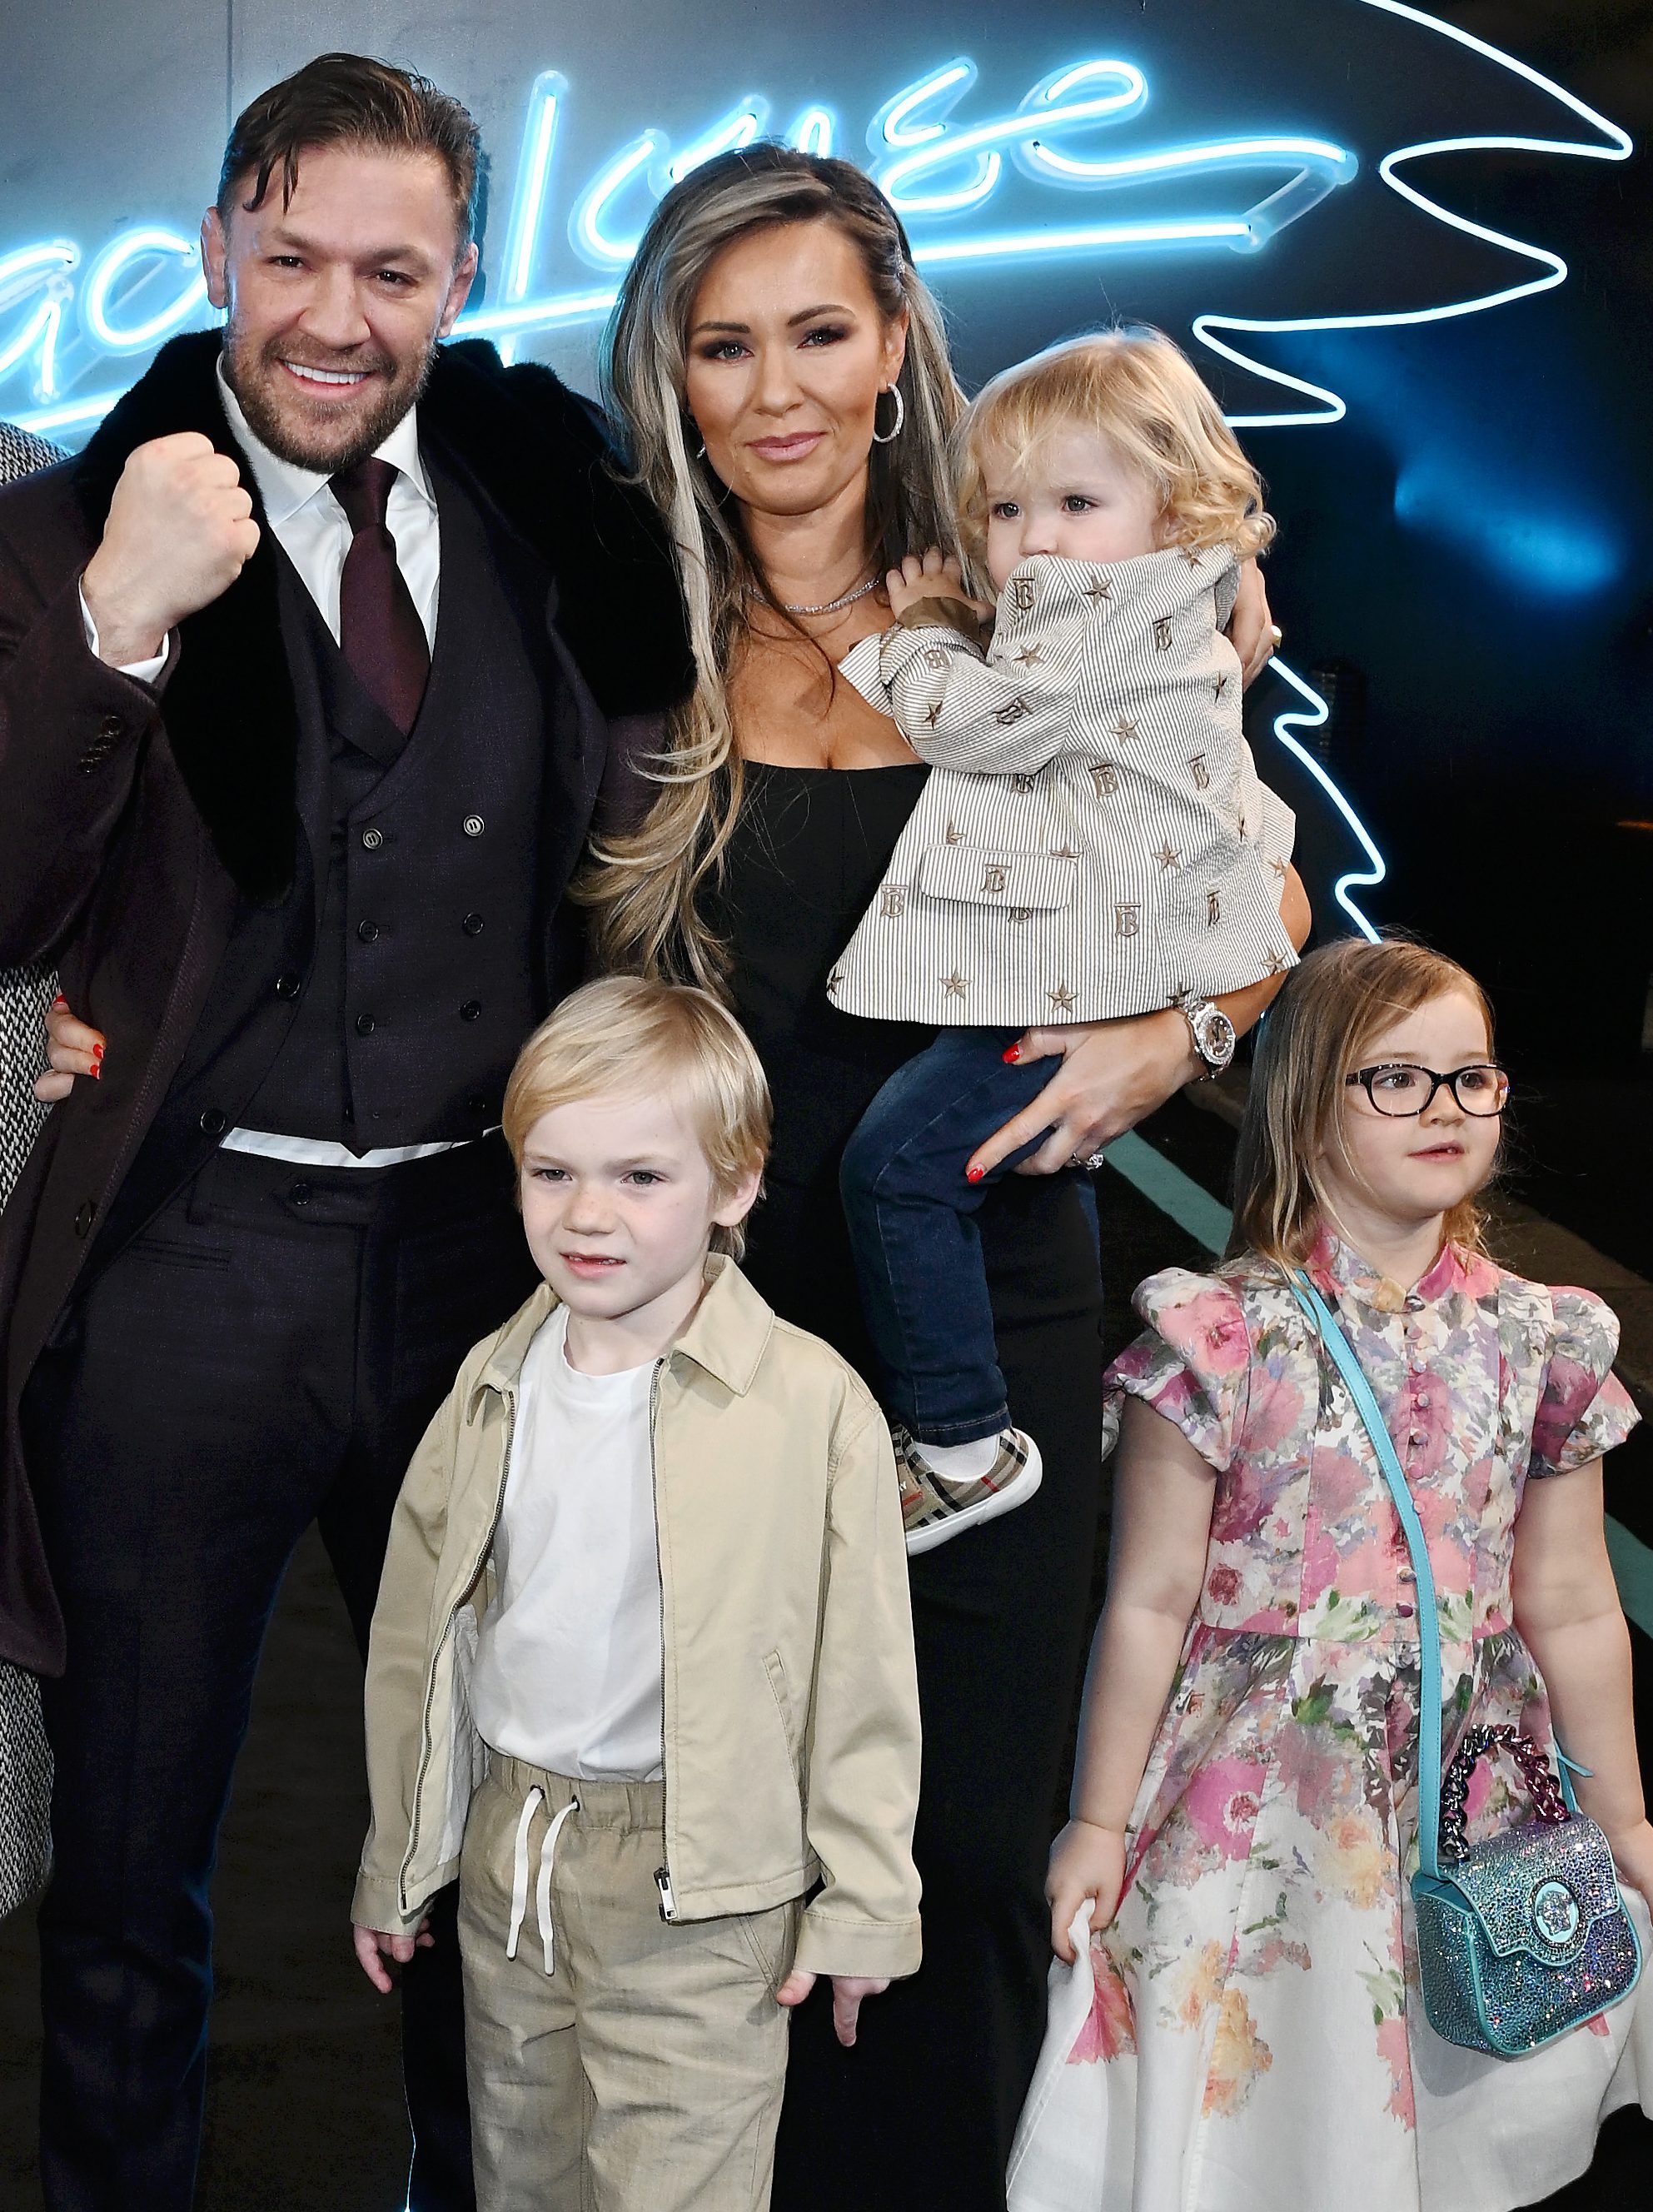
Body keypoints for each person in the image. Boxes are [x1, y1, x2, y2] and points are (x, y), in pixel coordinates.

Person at [582, 142, 1308, 2212]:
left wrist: (1185, 1028)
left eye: (821, 330)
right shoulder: (621, 622)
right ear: (675, 375)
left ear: (898, 343)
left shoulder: (1031, 594)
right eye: (725, 346)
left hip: (974, 1333)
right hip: (695, 1348)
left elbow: (1255, 879)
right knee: (722, 1853)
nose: (779, 387)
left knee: (975, 1848)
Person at [0, 52, 689, 2212]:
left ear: (463, 274)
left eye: (391, 268)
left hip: (496, 1284)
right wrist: (117, 624)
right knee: (129, 1861)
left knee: (501, 1843)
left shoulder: (550, 508)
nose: (333, 312)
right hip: (184, 1277)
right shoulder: (56, 535)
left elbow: (670, 841)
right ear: (216, 250)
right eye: (289, 254)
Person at [1014, 936, 1652, 2212]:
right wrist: (1093, 1824)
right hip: (1259, 1810)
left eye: (1470, 1078)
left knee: (1458, 2117)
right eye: (1396, 1080)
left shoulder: (1546, 1337)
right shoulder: (1216, 1335)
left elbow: (1573, 1605)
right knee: (1273, 2122)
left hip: (1473, 1799)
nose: (1446, 1109)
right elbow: (1146, 1603)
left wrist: (1626, 1820)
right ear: (1306, 1107)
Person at [348, 976, 922, 2212]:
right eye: (551, 1173)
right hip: (516, 1864)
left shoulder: (811, 1402)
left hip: (703, 1889)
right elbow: (417, 1636)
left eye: (640, 1178)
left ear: (735, 1185)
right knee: (524, 2180)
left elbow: (863, 1673)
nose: (587, 1214)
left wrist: (868, 1900)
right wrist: (400, 1857)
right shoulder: (493, 1381)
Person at [832, 329, 1298, 1550]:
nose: (1033, 539)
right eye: (1004, 508)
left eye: (1075, 502)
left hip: (1064, 987)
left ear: (1176, 507)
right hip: (1118, 963)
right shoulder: (1170, 613)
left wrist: (920, 632)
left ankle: (960, 1442)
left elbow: (981, 725)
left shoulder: (1093, 612)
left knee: (891, 1172)